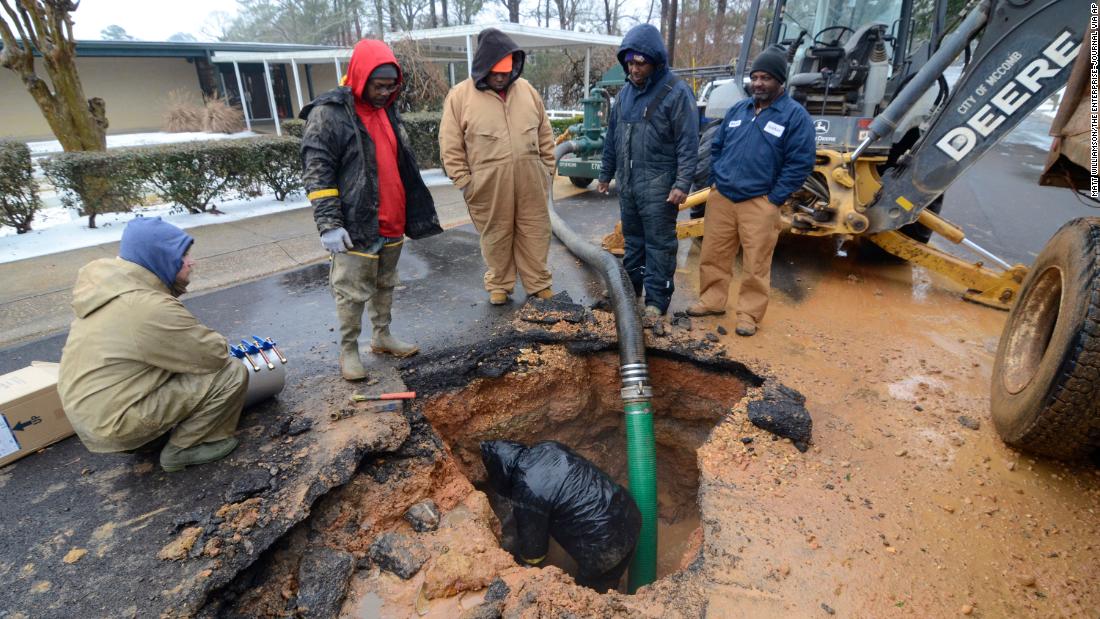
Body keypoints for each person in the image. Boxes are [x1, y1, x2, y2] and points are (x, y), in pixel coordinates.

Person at [58, 217, 248, 472]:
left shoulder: (108, 292)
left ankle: (150, 438)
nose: (191, 262)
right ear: (160, 258)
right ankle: (185, 447)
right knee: (230, 372)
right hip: (117, 424)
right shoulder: (146, 307)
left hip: (93, 420)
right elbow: (214, 355)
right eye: (183, 257)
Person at [300, 39, 443, 381]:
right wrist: (328, 224)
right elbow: (317, 169)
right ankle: (349, 349)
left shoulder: (387, 110)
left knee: (385, 283)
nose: (384, 92)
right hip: (356, 223)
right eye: (378, 86)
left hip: (392, 218)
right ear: (360, 77)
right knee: (351, 291)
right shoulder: (329, 114)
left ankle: (382, 335)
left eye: (390, 86)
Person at [687, 47, 815, 336]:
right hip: (722, 197)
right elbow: (717, 146)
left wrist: (774, 199)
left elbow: (800, 162)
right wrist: (717, 179)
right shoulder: (739, 110)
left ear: (780, 81)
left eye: (766, 78)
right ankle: (712, 299)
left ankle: (748, 315)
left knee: (756, 263)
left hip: (760, 201)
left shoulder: (794, 117)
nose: (758, 83)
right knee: (713, 254)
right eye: (755, 77)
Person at [439, 28, 556, 306]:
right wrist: (466, 182)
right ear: (483, 68)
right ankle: (500, 284)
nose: (502, 77)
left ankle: (538, 283)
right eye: (496, 72)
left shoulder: (526, 91)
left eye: (507, 70)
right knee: (496, 234)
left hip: (530, 179)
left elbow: (545, 133)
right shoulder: (460, 97)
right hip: (488, 184)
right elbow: (450, 144)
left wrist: (547, 170)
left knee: (535, 229)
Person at [597, 23, 699, 320]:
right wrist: (606, 174)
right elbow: (612, 138)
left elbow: (688, 142)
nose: (633, 68)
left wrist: (682, 183)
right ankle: (632, 291)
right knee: (634, 243)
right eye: (629, 62)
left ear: (655, 61)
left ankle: (655, 302)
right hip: (629, 186)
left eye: (640, 62)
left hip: (660, 186)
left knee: (659, 245)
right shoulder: (625, 95)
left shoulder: (676, 93)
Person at [480, 440, 641, 593]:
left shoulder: (526, 488)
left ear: (500, 474)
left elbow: (534, 551)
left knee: (589, 594)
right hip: (628, 513)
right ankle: (613, 589)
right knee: (612, 574)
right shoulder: (548, 447)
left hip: (603, 546)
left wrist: (524, 567)